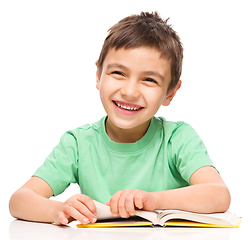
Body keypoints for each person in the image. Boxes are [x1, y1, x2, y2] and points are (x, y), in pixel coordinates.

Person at [9, 12, 231, 226]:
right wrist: (57, 210)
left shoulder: (178, 138)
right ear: (98, 76)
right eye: (118, 73)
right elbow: (19, 200)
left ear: (170, 92)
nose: (130, 91)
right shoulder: (78, 143)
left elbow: (219, 195)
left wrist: (153, 200)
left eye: (149, 80)